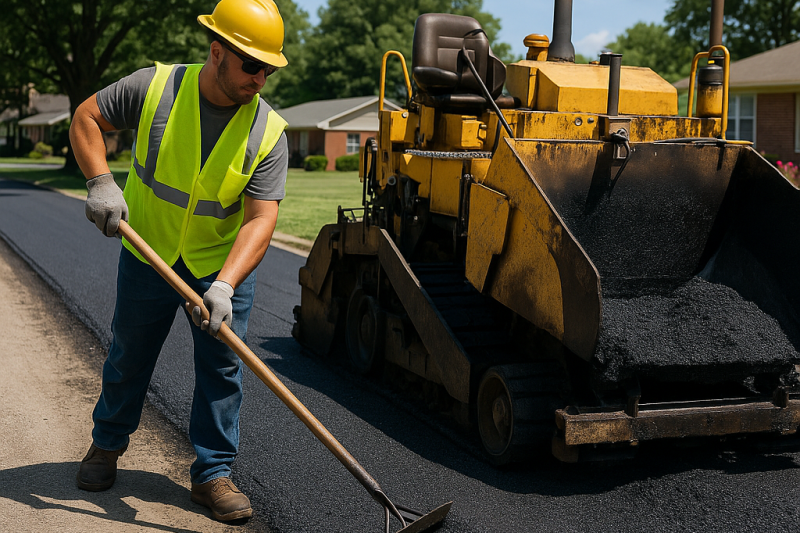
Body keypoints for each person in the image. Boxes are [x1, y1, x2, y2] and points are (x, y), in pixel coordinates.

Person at [68, 0, 289, 522]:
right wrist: (100, 181)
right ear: (217, 53)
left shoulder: (270, 133)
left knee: (223, 370)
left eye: (269, 69)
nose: (260, 78)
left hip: (219, 266)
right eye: (251, 66)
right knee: (129, 354)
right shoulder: (156, 87)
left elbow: (260, 221)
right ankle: (106, 445)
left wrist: (227, 286)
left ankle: (212, 475)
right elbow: (86, 116)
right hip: (148, 251)